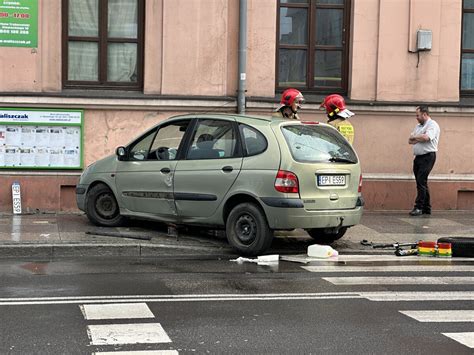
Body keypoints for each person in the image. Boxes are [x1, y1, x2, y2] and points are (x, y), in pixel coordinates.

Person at [408, 105, 440, 216]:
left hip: (428, 157)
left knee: (421, 181)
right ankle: (427, 208)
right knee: (421, 182)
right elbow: (410, 141)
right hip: (418, 157)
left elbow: (427, 138)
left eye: (418, 115)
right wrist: (419, 136)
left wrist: (416, 137)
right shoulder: (418, 126)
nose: (416, 117)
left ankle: (419, 207)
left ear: (424, 114)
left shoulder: (432, 125)